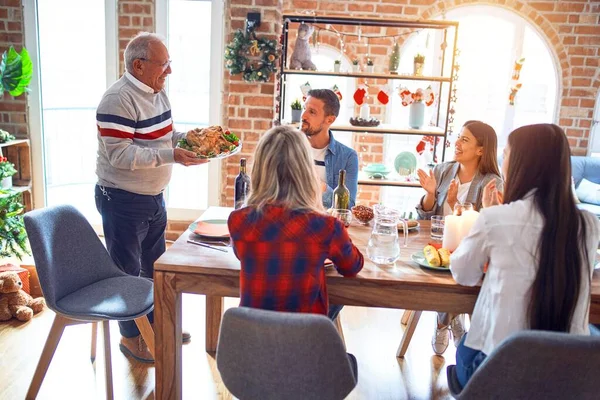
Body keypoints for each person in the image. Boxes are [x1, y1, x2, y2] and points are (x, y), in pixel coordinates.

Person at [450, 123, 600, 387]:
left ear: (521, 163)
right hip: (567, 379)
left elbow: (463, 273)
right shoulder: (589, 225)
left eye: (506, 154)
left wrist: (491, 222)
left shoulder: (496, 218)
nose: (503, 160)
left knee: (466, 345)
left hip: (498, 374)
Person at [95, 32, 206, 363]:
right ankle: (131, 339)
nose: (169, 71)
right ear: (139, 65)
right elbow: (121, 155)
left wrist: (193, 139)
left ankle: (155, 327)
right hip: (122, 200)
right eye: (164, 64)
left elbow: (166, 135)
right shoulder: (117, 100)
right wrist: (173, 155)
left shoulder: (157, 92)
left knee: (155, 268)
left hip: (152, 197)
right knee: (127, 272)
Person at [227, 125, 364, 317]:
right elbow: (352, 267)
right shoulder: (327, 227)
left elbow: (244, 255)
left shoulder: (238, 221)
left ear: (259, 170)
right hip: (306, 342)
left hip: (253, 341)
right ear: (307, 171)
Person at [416, 120, 503, 355]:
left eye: (465, 139)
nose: (457, 143)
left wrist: (455, 204)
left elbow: (486, 226)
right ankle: (451, 318)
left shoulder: (492, 182)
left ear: (481, 150)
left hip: (470, 249)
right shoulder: (444, 170)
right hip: (436, 244)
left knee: (457, 273)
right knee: (438, 268)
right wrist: (431, 194)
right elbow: (426, 215)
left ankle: (443, 321)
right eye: (458, 137)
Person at [301, 89, 359, 209]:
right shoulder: (286, 148)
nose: (303, 116)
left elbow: (347, 206)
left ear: (330, 120)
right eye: (304, 108)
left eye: (312, 112)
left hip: (325, 225)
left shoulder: (348, 157)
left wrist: (320, 186)